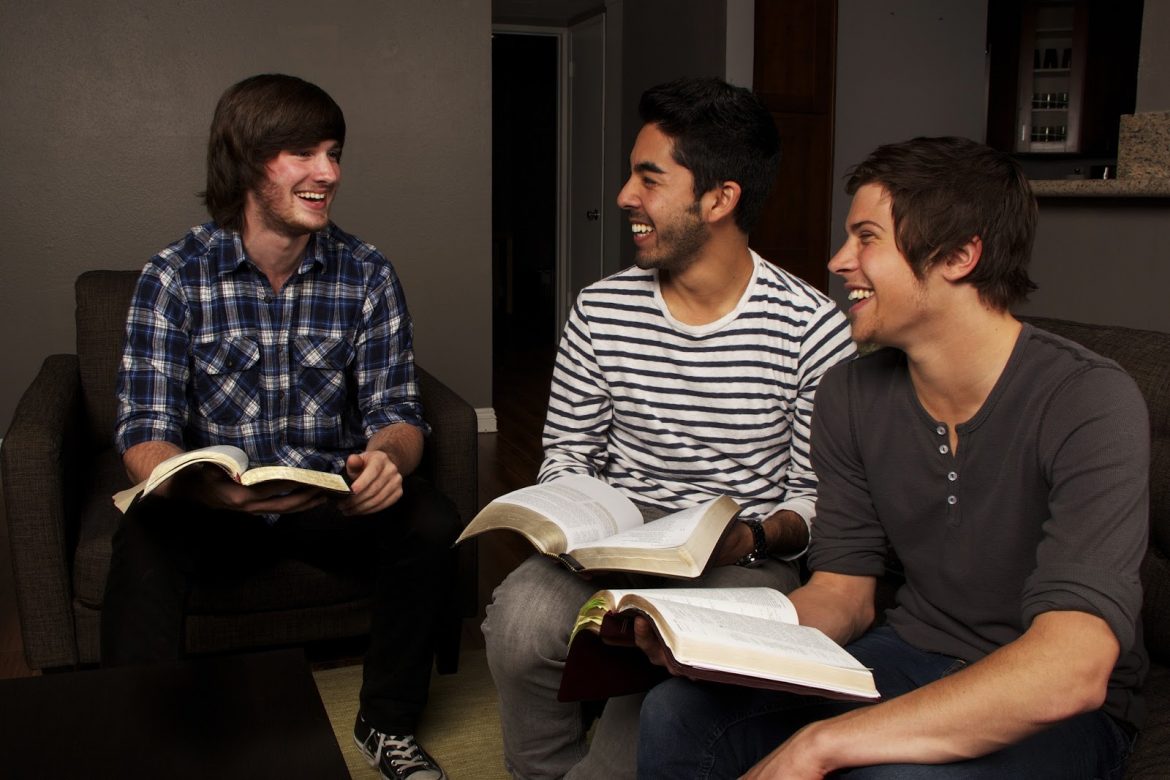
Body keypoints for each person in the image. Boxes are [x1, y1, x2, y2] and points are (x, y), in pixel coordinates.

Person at [636, 136, 1149, 779]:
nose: (838, 261)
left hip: (1050, 696)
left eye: (867, 238)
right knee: (677, 713)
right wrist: (708, 633)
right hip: (909, 651)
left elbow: (1072, 667)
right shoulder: (850, 394)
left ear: (959, 255)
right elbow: (844, 595)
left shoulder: (1088, 400)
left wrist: (821, 744)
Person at [481, 76, 856, 779]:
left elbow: (815, 500)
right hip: (616, 536)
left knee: (655, 710)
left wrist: (751, 537)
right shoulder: (600, 309)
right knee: (518, 626)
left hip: (740, 554)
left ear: (719, 199)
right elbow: (567, 452)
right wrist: (578, 519)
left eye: (648, 179)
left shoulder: (810, 328)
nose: (626, 195)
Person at [102, 73, 459, 780]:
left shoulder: (367, 275)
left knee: (429, 519)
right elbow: (143, 428)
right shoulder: (174, 277)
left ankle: (387, 724)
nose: (329, 173)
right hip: (214, 505)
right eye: (303, 153)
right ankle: (144, 746)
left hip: (327, 498)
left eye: (334, 153)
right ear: (246, 161)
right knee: (142, 536)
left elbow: (398, 412)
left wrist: (388, 461)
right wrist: (200, 486)